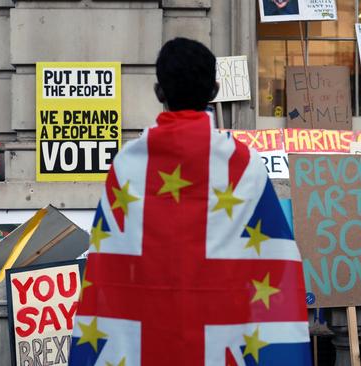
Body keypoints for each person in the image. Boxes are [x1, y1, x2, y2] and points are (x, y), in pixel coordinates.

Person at [70, 38, 310, 365]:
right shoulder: (245, 166)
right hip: (219, 344)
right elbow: (276, 259)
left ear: (159, 92)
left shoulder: (126, 165)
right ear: (214, 90)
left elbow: (108, 269)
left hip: (147, 345)